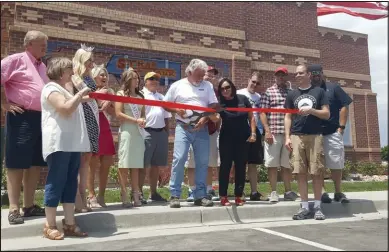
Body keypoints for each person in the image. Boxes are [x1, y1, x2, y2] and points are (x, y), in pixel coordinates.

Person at [1, 30, 49, 224]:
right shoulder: (16, 60)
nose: (45, 48)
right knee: (16, 161)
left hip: (41, 118)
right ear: (29, 45)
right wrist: (3, 103)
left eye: (46, 45)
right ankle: (13, 208)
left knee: (35, 162)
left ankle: (28, 206)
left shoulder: (42, 66)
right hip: (21, 116)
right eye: (41, 44)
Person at [41, 57, 89, 240]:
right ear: (61, 72)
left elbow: (80, 101)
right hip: (58, 143)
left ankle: (69, 223)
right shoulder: (51, 88)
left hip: (72, 143)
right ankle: (50, 224)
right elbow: (65, 108)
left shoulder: (65, 89)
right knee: (56, 180)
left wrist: (82, 93)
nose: (73, 74)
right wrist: (80, 93)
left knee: (70, 182)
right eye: (70, 70)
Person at [163, 59, 218, 208]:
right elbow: (166, 104)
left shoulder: (208, 86)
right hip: (183, 127)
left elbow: (214, 105)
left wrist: (205, 118)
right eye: (198, 75)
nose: (201, 78)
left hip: (202, 129)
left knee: (202, 162)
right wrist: (176, 110)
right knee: (179, 158)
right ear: (189, 72)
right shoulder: (177, 85)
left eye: (202, 75)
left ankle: (200, 195)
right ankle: (175, 195)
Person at [284, 64, 330, 220]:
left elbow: (326, 114)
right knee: (300, 173)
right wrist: (287, 137)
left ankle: (317, 207)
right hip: (297, 136)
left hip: (315, 136)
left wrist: (311, 111)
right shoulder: (292, 94)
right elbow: (288, 116)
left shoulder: (319, 92)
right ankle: (304, 207)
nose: (297, 75)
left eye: (301, 73)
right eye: (296, 73)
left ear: (309, 74)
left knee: (316, 172)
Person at [309, 64, 353, 204]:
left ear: (322, 73)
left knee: (336, 163)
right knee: (318, 165)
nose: (316, 76)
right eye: (313, 74)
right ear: (309, 75)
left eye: (318, 73)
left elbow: (344, 106)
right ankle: (322, 192)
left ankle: (338, 192)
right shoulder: (307, 91)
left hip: (332, 132)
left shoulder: (333, 88)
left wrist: (341, 128)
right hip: (314, 134)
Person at [260, 67, 299, 202]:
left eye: (283, 75)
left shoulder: (291, 93)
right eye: (278, 75)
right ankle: (274, 192)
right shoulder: (268, 92)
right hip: (273, 134)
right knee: (272, 164)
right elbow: (262, 112)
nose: (281, 77)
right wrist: (267, 131)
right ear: (275, 77)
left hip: (289, 135)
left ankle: (288, 191)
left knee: (286, 164)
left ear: (286, 77)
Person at [217, 78, 257, 206]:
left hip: (243, 138)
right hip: (226, 139)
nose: (225, 90)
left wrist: (253, 133)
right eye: (222, 89)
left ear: (232, 87)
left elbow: (251, 117)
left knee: (241, 167)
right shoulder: (220, 103)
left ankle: (239, 196)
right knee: (225, 167)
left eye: (227, 87)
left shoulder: (242, 99)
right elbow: (215, 118)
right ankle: (223, 196)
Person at [72, 44, 100, 213]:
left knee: (87, 158)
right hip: (79, 117)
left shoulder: (89, 77)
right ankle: (76, 198)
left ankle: (83, 197)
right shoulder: (74, 77)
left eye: (92, 60)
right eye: (89, 60)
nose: (92, 63)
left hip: (91, 118)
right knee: (78, 158)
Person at [186, 66, 221, 202]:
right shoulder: (193, 88)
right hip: (194, 129)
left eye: (213, 75)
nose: (210, 76)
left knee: (210, 162)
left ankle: (208, 189)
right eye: (208, 74)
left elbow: (218, 112)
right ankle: (192, 190)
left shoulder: (216, 92)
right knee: (192, 162)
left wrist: (217, 127)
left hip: (210, 131)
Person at [115, 68, 146, 207]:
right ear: (127, 80)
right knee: (124, 164)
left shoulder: (141, 97)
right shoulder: (120, 94)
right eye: (134, 78)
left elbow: (143, 114)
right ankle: (124, 193)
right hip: (127, 131)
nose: (137, 80)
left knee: (136, 164)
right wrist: (136, 121)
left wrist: (143, 120)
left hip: (138, 132)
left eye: (138, 78)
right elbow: (118, 114)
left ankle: (135, 193)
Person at [87, 64, 116, 208]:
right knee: (92, 163)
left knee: (106, 163)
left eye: (105, 75)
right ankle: (90, 195)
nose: (104, 77)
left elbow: (113, 113)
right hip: (92, 127)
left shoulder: (110, 91)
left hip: (105, 127)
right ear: (94, 77)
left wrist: (110, 99)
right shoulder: (88, 90)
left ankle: (102, 195)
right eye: (101, 74)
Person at [140, 71, 171, 202]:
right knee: (143, 164)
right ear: (145, 81)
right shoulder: (141, 95)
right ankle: (138, 193)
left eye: (156, 79)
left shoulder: (161, 97)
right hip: (146, 132)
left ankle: (153, 193)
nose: (154, 81)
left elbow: (167, 117)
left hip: (160, 133)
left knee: (155, 165)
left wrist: (166, 133)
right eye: (151, 79)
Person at [237, 72, 268, 201]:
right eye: (253, 81)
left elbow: (260, 115)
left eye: (258, 83)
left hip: (255, 132)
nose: (255, 85)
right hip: (240, 131)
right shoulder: (239, 93)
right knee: (240, 163)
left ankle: (254, 192)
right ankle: (240, 192)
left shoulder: (259, 97)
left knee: (253, 163)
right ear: (249, 80)